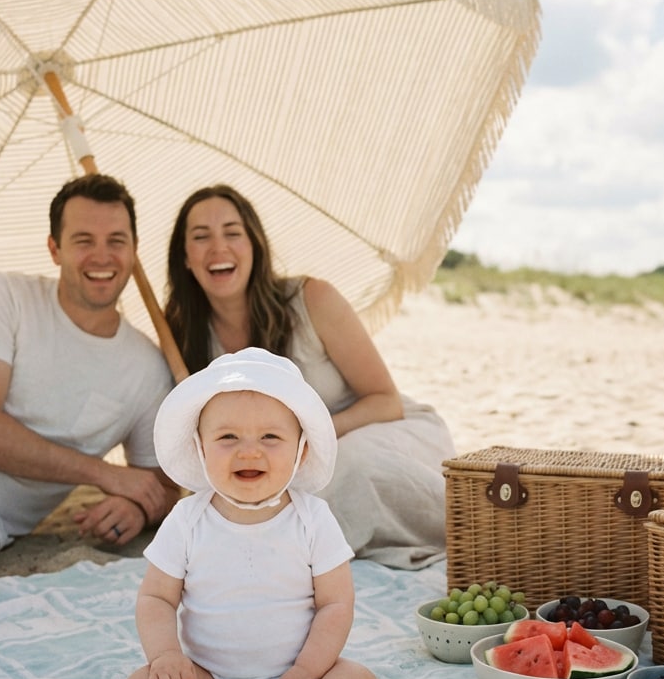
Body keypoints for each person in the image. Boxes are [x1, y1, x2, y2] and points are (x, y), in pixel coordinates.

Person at [122, 347, 379, 679]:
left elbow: (336, 604)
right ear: (200, 449)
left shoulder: (312, 519)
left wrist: (307, 671)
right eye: (227, 438)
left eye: (270, 438)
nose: (249, 450)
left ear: (300, 453)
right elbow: (157, 598)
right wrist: (165, 656)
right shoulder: (186, 519)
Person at [163, 184, 455, 570]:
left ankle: (470, 529)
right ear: (185, 258)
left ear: (254, 245)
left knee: (342, 469)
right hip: (283, 457)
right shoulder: (181, 335)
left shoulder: (311, 299)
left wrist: (313, 438)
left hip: (379, 432)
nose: (219, 247)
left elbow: (386, 400)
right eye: (201, 237)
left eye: (232, 233)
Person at [0, 174, 179, 580]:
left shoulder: (148, 368)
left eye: (116, 241)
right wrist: (103, 473)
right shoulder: (2, 296)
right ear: (55, 249)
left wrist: (137, 508)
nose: (102, 256)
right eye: (84, 240)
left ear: (135, 251)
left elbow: (159, 488)